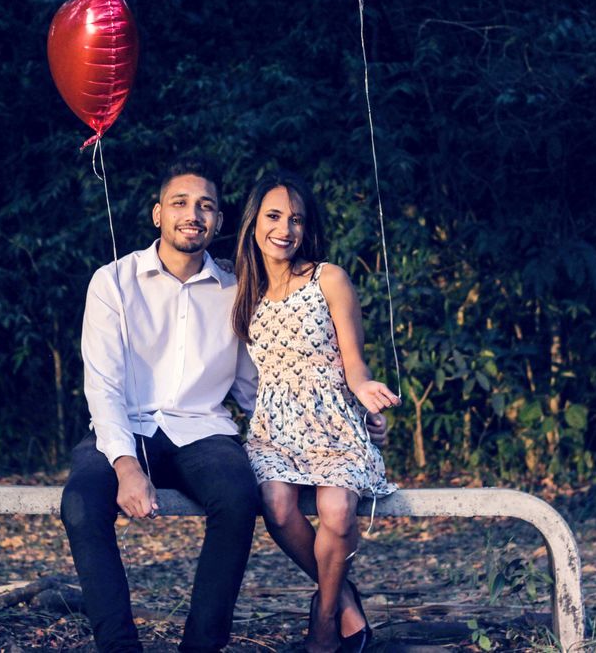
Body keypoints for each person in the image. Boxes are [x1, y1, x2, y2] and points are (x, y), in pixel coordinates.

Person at [60, 159, 385, 653]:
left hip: (203, 434)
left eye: (206, 206)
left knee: (238, 500)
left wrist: (349, 417)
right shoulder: (113, 281)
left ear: (219, 221)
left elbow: (263, 380)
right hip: (124, 429)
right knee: (81, 502)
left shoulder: (242, 287)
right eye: (181, 204)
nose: (193, 215)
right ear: (157, 215)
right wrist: (126, 467)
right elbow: (102, 386)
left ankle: (202, 647)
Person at [231, 170, 401, 653]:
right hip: (274, 427)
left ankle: (324, 616)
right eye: (274, 216)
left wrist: (367, 393)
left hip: (332, 421)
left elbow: (355, 363)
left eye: (297, 220)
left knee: (337, 508)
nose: (285, 229)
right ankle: (343, 597)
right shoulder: (243, 291)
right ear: (254, 222)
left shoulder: (329, 278)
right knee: (279, 507)